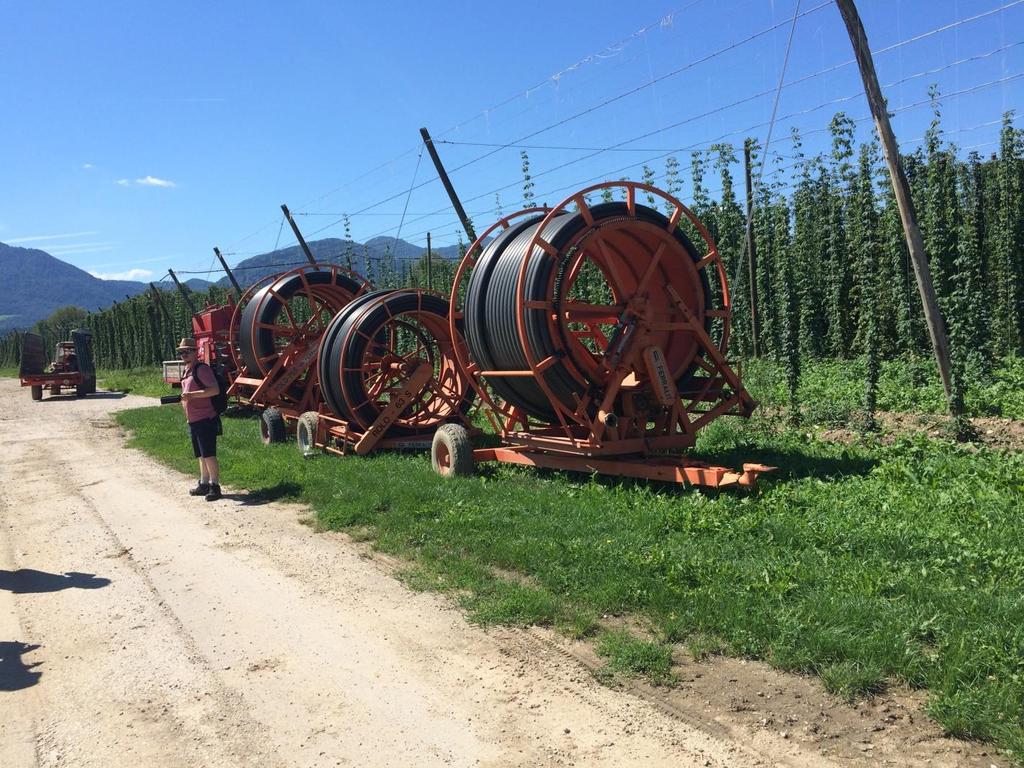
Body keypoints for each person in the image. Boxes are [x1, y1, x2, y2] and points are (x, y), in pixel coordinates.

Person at [177, 337, 222, 501]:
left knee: (209, 454)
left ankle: (215, 486)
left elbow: (214, 390)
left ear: (195, 352)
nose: (183, 355)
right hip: (193, 420)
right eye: (181, 352)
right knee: (200, 455)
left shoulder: (201, 369)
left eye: (187, 352)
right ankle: (203, 484)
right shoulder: (187, 370)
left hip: (205, 419)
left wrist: (192, 395)